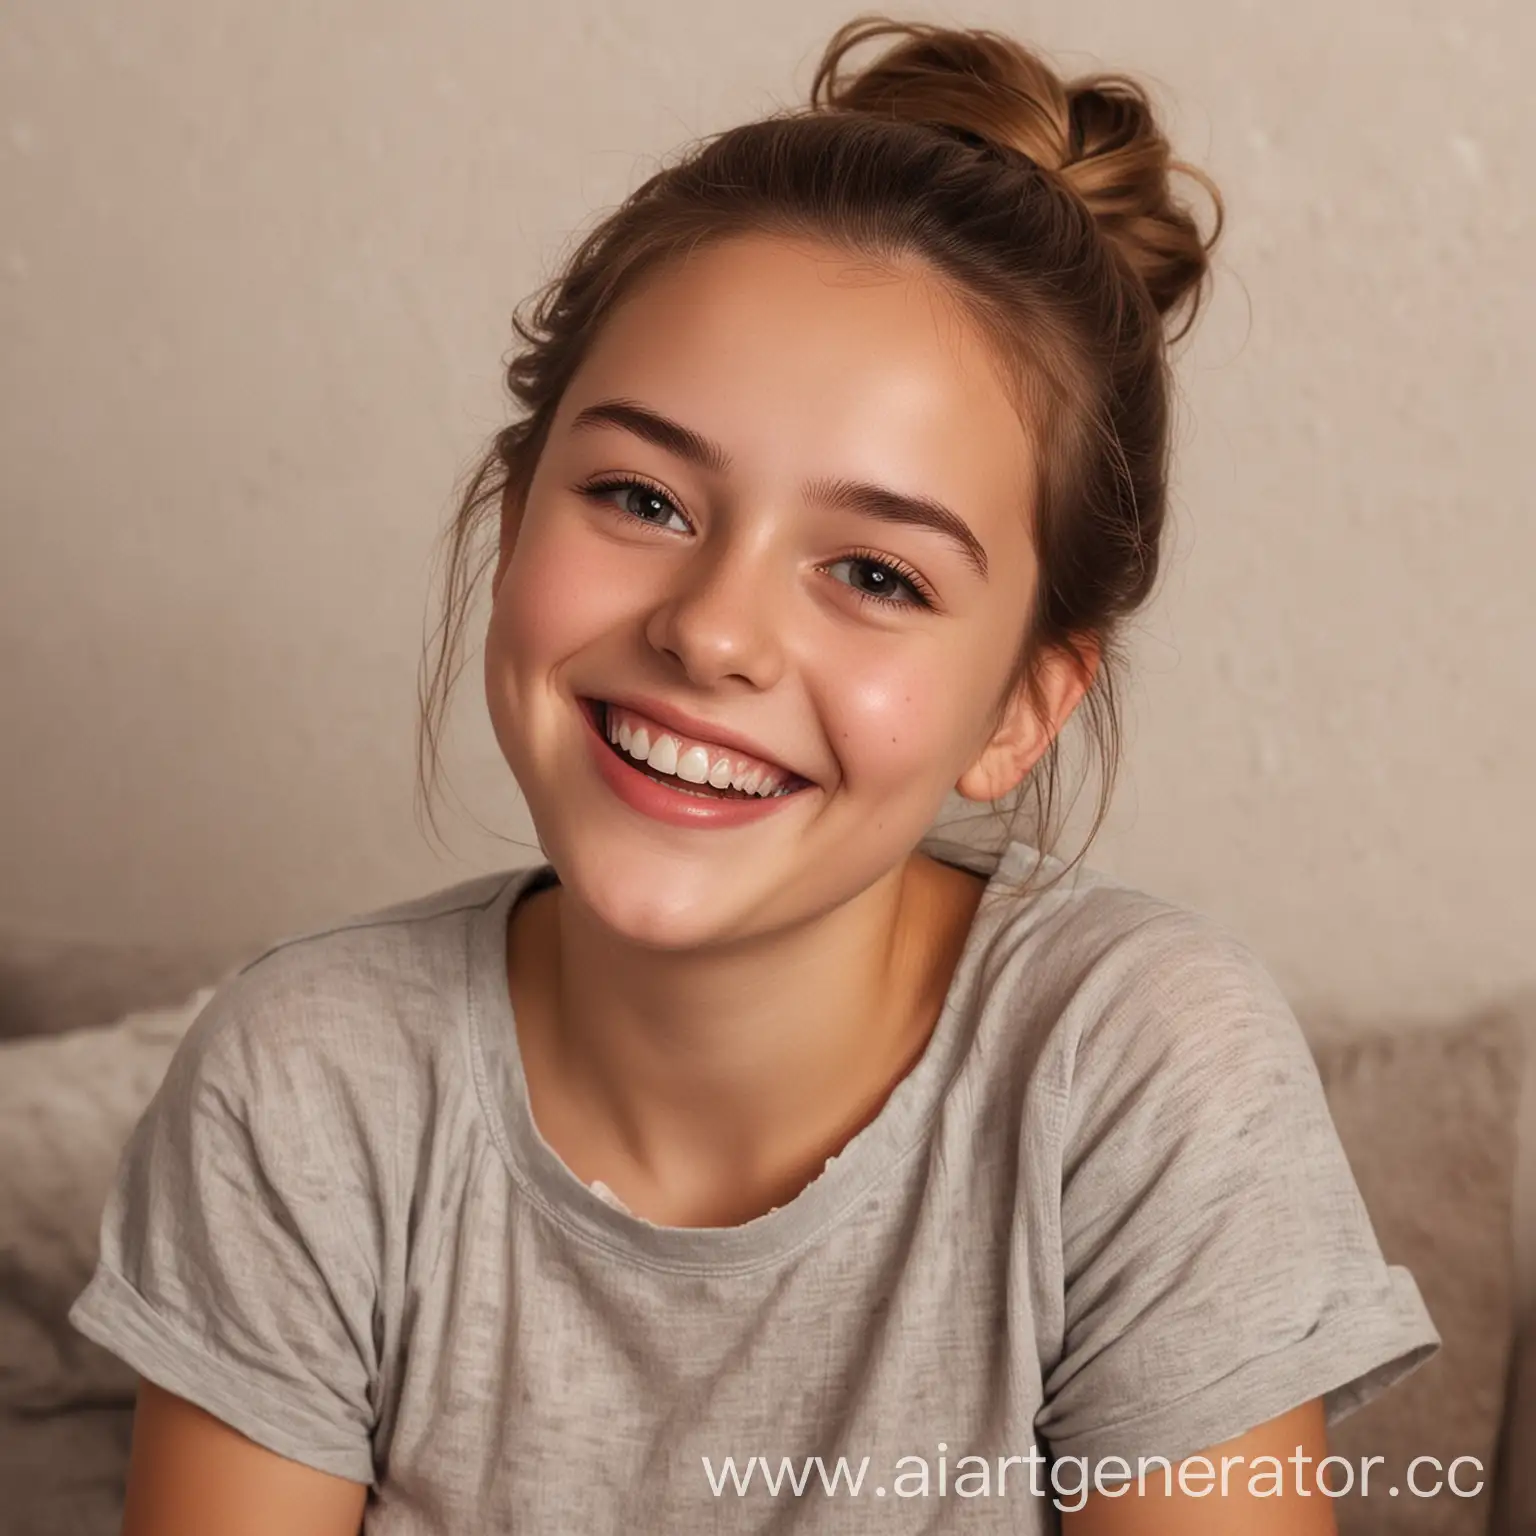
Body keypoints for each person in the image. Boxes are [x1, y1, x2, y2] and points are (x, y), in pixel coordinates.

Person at [69, 15, 1439, 1534]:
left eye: (874, 572)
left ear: (1023, 709)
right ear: (516, 514)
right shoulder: (304, 1083)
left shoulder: (1133, 1070)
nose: (714, 630)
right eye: (643, 496)